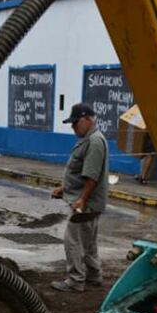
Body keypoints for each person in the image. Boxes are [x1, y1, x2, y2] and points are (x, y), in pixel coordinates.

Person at [50, 103, 109, 293]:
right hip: (89, 201)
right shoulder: (90, 139)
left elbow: (91, 176)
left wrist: (82, 200)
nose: (73, 127)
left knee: (72, 240)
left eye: (75, 123)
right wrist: (64, 188)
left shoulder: (94, 142)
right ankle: (94, 275)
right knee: (88, 240)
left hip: (87, 203)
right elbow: (78, 172)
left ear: (87, 120)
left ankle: (75, 280)